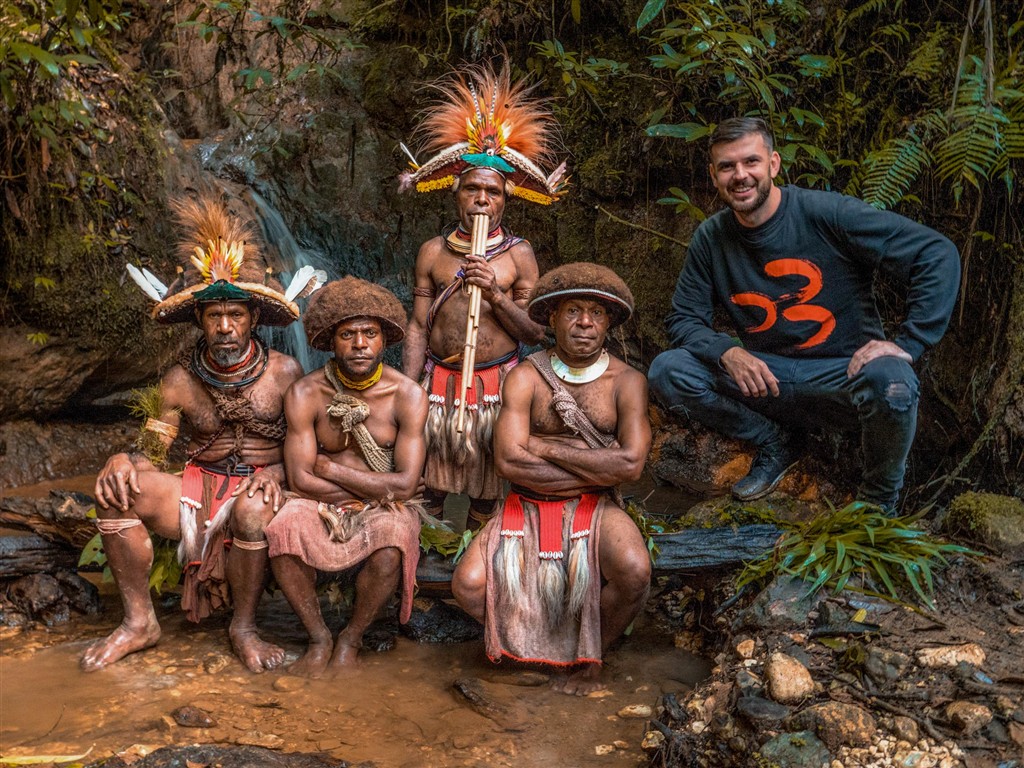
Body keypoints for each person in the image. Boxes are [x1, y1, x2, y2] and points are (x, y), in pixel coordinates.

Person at [648, 116, 960, 512]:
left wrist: (909, 343)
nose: (740, 175)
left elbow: (936, 254)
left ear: (773, 164)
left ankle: (878, 506)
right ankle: (774, 442)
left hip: (843, 375)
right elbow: (683, 319)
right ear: (713, 175)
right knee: (670, 370)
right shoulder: (712, 238)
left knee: (893, 380)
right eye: (727, 166)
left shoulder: (827, 213)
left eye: (751, 162)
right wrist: (727, 351)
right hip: (768, 379)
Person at [84, 197, 320, 672]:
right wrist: (123, 461)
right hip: (198, 489)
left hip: (268, 489)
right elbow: (153, 452)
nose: (225, 327)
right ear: (199, 320)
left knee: (251, 508)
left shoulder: (286, 372)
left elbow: (307, 453)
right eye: (214, 316)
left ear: (254, 319)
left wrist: (275, 473)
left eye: (236, 315)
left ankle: (243, 628)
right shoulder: (179, 381)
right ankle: (138, 623)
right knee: (116, 493)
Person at [452, 263, 652, 696]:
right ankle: (527, 647)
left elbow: (631, 467)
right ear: (553, 318)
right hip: (524, 504)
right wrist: (593, 463)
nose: (585, 322)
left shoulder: (627, 382)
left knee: (635, 571)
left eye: (596, 313)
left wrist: (544, 448)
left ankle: (591, 656)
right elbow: (509, 462)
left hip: (596, 506)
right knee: (466, 585)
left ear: (608, 323)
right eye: (573, 311)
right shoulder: (525, 376)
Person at [400, 60, 566, 530]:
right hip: (438, 381)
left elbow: (534, 332)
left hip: (495, 385)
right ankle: (427, 550)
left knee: (488, 487)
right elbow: (417, 325)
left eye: (492, 192)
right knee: (429, 484)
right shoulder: (433, 251)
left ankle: (478, 551)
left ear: (504, 199)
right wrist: (408, 389)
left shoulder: (519, 255)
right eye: (472, 189)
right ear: (455, 193)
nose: (481, 200)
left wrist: (494, 292)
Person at [265, 277, 429, 678]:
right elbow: (300, 481)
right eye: (347, 335)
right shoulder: (305, 393)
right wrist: (372, 488)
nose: (359, 344)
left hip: (382, 505)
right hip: (323, 500)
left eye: (369, 334)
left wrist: (330, 467)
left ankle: (351, 639)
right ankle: (318, 637)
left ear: (383, 340)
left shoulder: (407, 395)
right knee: (283, 529)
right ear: (330, 342)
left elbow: (406, 485)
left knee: (391, 541)